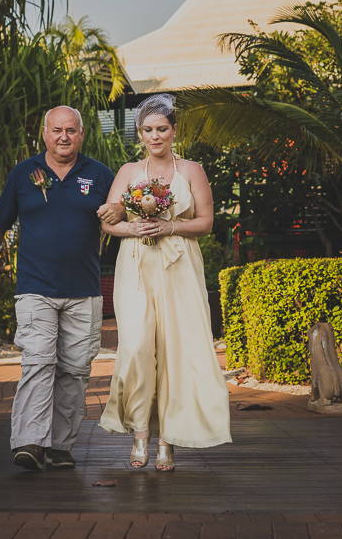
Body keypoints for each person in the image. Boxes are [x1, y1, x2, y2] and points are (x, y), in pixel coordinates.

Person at [0, 105, 122, 471]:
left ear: (82, 134)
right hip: (35, 288)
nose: (64, 137)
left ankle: (59, 446)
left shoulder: (101, 175)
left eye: (71, 130)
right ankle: (29, 443)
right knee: (38, 362)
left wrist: (120, 212)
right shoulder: (24, 174)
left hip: (84, 291)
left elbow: (123, 217)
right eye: (57, 130)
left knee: (74, 370)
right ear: (44, 133)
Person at [98, 93, 232, 471]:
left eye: (161, 129)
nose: (154, 136)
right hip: (137, 263)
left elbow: (205, 222)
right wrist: (130, 225)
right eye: (147, 130)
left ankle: (166, 443)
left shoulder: (192, 170)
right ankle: (140, 433)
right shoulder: (127, 172)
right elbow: (109, 220)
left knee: (176, 349)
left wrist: (171, 224)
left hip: (179, 264)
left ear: (174, 131)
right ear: (139, 134)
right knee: (138, 346)